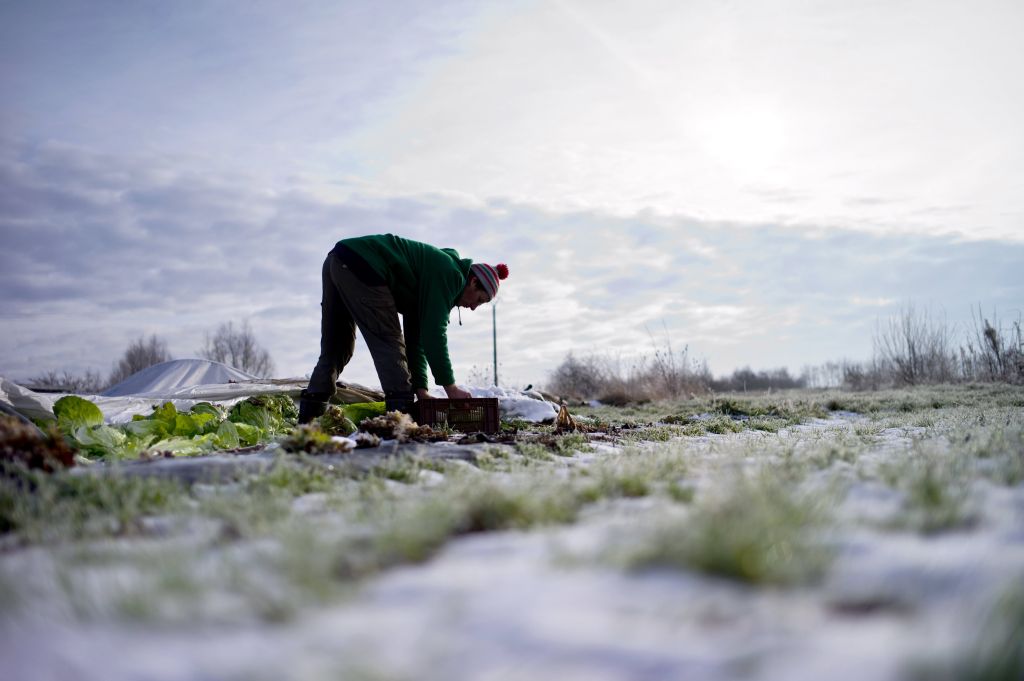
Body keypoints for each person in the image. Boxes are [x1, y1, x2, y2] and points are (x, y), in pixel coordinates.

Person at [298, 233, 509, 423]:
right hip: (365, 265)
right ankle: (401, 422)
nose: (473, 308)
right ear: (472, 282)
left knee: (337, 347)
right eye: (479, 300)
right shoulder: (450, 274)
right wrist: (451, 388)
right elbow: (434, 335)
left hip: (339, 259)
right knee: (389, 342)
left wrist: (421, 390)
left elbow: (417, 340)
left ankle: (309, 420)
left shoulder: (431, 279)